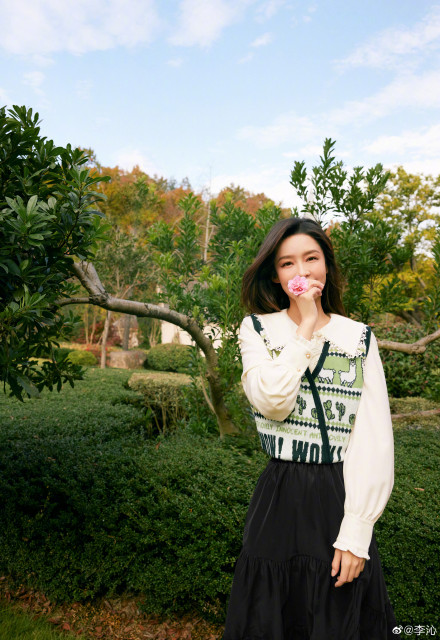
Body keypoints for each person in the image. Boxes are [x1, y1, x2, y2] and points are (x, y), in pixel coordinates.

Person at [222, 217, 397, 640]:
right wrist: (304, 327)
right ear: (275, 275)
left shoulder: (358, 338)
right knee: (270, 617)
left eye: (311, 258)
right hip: (278, 497)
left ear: (326, 265)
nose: (300, 271)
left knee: (337, 614)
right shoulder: (257, 329)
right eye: (287, 263)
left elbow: (373, 438)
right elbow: (272, 401)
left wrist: (357, 532)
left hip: (338, 495)